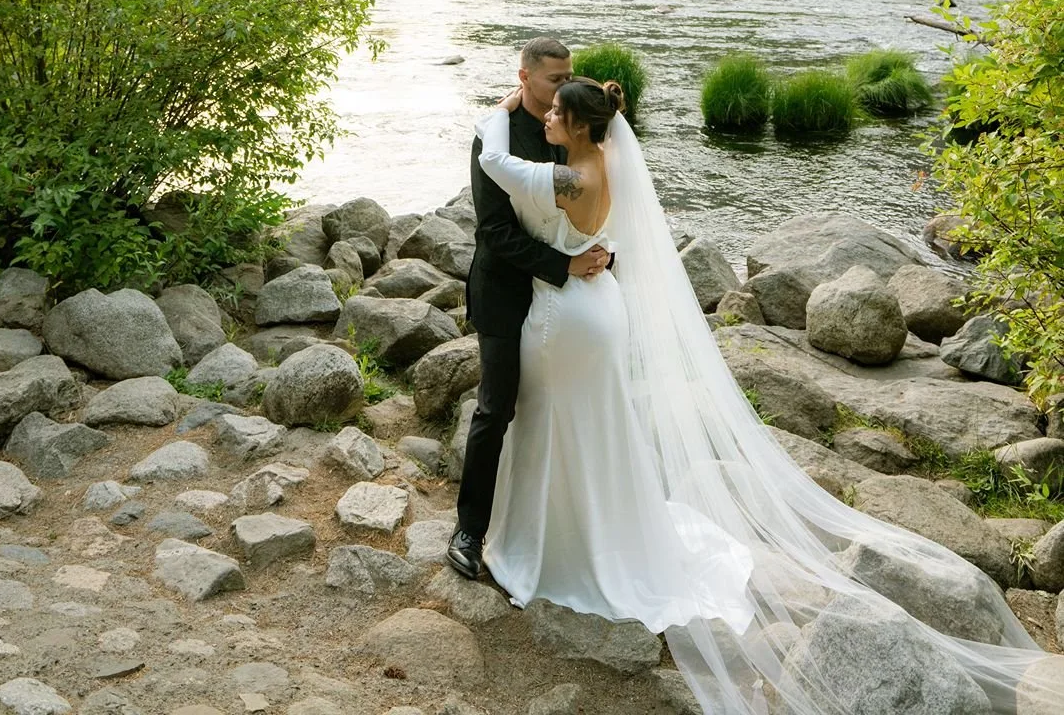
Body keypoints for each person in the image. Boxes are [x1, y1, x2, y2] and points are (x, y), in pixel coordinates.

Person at [468, 74, 1051, 715]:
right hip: (599, 307)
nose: (545, 117)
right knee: (597, 426)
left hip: (565, 320)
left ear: (580, 127)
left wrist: (499, 111)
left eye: (555, 113)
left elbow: (494, 158)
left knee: (558, 425)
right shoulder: (606, 161)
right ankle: (594, 529)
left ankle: (549, 546)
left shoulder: (569, 179)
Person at [447, 37, 609, 582]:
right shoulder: (492, 137)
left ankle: (557, 531)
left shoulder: (577, 126)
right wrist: (565, 267)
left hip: (567, 306)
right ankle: (470, 530)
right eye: (553, 79)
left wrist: (605, 256)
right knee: (497, 408)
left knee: (567, 408)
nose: (563, 86)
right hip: (506, 293)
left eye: (569, 76)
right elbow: (493, 233)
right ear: (523, 78)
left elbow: (604, 204)